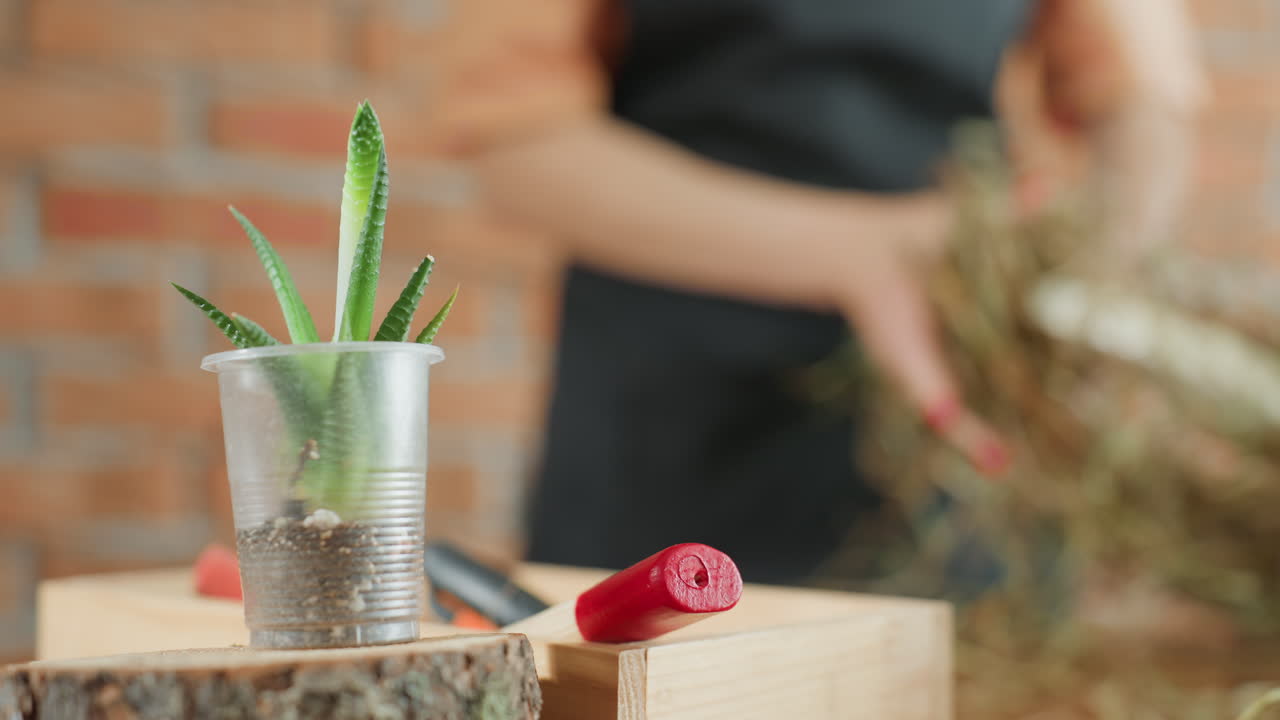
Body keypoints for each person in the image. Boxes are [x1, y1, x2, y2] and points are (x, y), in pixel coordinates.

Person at [464, 0, 1206, 584]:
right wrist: (863, 255)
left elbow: (1144, 98)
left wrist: (1097, 276)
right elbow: (519, 143)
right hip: (672, 420)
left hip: (953, 430)